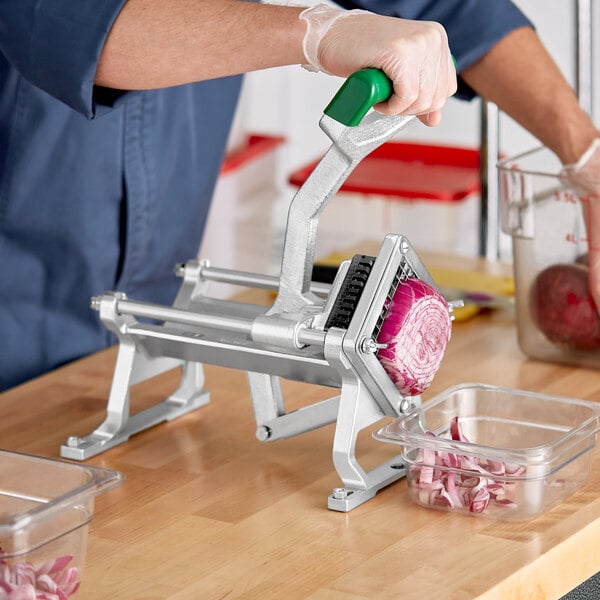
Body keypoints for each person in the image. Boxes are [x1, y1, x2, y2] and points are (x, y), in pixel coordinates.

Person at [0, 0, 597, 392]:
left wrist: (586, 157)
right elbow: (66, 22)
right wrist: (317, 33)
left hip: (149, 330)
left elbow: (449, 8)